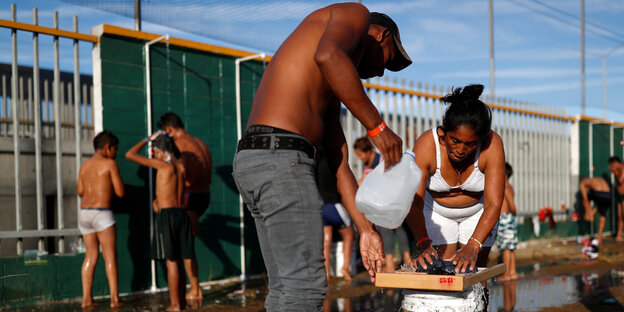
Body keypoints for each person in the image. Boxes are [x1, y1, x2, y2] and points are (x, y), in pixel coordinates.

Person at [232, 3, 410, 309]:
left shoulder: (324, 93)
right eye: (388, 60)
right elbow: (329, 56)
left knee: (285, 288)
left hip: (254, 159)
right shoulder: (356, 13)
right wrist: (377, 127)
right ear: (381, 35)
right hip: (282, 158)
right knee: (306, 287)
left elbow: (340, 166)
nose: (381, 72)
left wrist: (366, 230)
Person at [406, 84, 505, 306]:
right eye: (455, 141)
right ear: (443, 133)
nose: (461, 150)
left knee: (475, 273)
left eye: (471, 144)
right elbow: (414, 203)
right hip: (436, 211)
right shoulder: (426, 145)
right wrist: (423, 243)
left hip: (478, 212)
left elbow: (494, 204)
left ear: (482, 138)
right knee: (442, 270)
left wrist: (472, 246)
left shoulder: (493, 144)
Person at [126, 131, 193, 312]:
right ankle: (182, 302)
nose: (153, 155)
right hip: (181, 214)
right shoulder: (181, 165)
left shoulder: (162, 165)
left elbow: (129, 155)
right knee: (178, 260)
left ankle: (175, 305)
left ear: (159, 150)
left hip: (168, 216)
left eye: (154, 152)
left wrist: (147, 138)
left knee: (171, 262)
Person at [159, 112, 212, 300]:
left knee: (185, 246)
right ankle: (193, 287)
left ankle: (195, 289)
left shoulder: (180, 145)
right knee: (188, 243)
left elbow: (177, 174)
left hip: (189, 197)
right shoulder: (200, 143)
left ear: (170, 130)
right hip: (204, 195)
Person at [77, 130, 125, 308]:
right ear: (108, 147)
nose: (116, 153)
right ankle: (114, 299)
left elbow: (80, 192)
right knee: (110, 256)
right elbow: (120, 192)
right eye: (115, 149)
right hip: (102, 213)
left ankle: (86, 299)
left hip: (84, 213)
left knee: (90, 255)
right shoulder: (110, 164)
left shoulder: (85, 165)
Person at [354, 136, 412, 271]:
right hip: (379, 201)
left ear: (368, 151)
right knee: (388, 229)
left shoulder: (381, 161)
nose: (359, 157)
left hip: (390, 199)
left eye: (360, 154)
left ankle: (398, 261)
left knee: (394, 228)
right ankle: (399, 260)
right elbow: (364, 180)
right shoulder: (366, 164)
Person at [316, 148, 354, 282]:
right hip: (333, 203)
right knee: (349, 233)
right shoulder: (332, 161)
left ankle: (326, 272)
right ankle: (345, 268)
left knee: (326, 240)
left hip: (320, 206)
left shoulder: (313, 162)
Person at [496, 162, 518, 282]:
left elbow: (512, 206)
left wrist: (512, 213)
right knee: (510, 248)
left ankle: (507, 273)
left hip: (505, 219)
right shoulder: (509, 186)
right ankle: (512, 272)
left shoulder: (505, 186)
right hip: (508, 219)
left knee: (506, 248)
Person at [579, 176, 611, 245]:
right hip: (608, 195)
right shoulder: (597, 179)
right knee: (602, 216)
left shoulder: (582, 183)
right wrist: (593, 211)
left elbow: (585, 199)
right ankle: (598, 238)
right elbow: (598, 203)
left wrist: (588, 212)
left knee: (586, 197)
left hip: (598, 193)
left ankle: (588, 214)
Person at [608, 156, 624, 241]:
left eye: (612, 164)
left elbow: (621, 181)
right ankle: (618, 235)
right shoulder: (617, 171)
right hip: (620, 196)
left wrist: (615, 172)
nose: (612, 166)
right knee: (620, 216)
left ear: (616, 162)